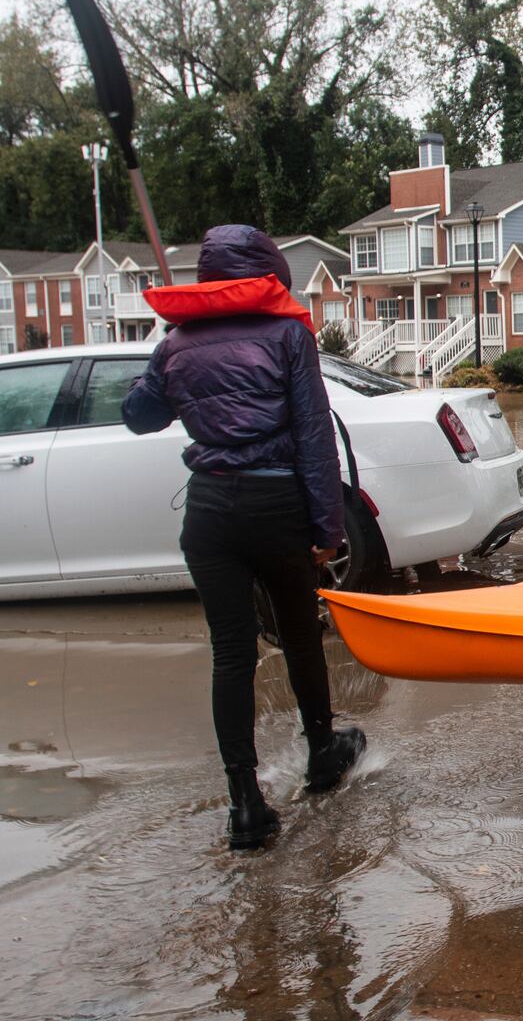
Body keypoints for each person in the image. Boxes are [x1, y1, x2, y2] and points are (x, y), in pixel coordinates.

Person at [123, 225, 366, 850]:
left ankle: (245, 806)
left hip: (209, 512)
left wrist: (166, 360)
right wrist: (326, 529)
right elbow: (314, 436)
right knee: (299, 636)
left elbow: (139, 417)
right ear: (268, 273)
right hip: (275, 504)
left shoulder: (177, 342)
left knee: (230, 654)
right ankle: (321, 753)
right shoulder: (289, 334)